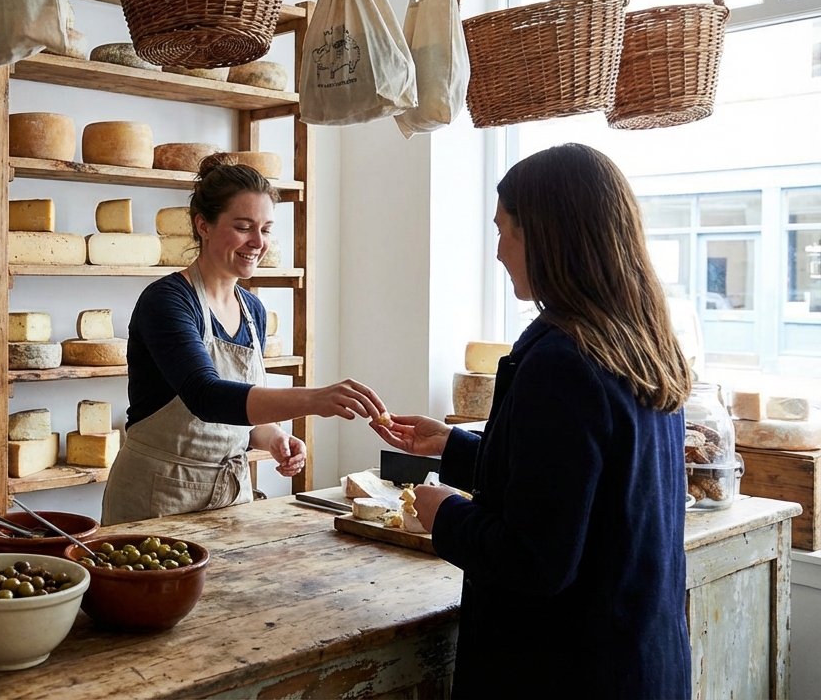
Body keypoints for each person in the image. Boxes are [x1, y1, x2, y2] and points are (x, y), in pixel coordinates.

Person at [371, 143, 693, 699]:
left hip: (565, 673)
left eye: (505, 231)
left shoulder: (562, 362)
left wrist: (445, 514)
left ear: (547, 235)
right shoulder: (640, 344)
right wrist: (454, 446)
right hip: (638, 661)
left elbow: (536, 560)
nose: (498, 252)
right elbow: (583, 485)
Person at [102, 156, 387, 525]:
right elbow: (206, 397)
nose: (258, 242)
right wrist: (315, 399)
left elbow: (234, 416)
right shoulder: (167, 301)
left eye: (266, 229)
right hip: (157, 497)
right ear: (203, 225)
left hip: (230, 499)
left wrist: (272, 437)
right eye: (243, 227)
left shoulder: (253, 310)